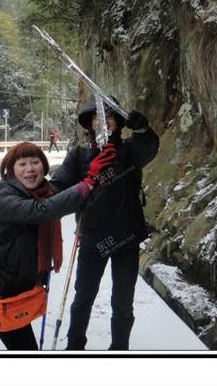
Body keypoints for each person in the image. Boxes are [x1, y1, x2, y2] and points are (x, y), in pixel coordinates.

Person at [0, 141, 117, 350]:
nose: (29, 169)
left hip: (9, 299)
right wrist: (89, 182)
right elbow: (42, 210)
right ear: (11, 170)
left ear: (43, 166)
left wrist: (84, 154)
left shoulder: (42, 191)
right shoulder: (5, 199)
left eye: (35, 162)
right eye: (22, 164)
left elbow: (61, 184)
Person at [50, 98, 159, 350]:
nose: (104, 121)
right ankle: (75, 345)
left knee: (122, 301)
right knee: (83, 297)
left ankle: (119, 348)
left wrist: (143, 129)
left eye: (110, 116)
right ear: (90, 123)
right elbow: (58, 186)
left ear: (119, 123)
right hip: (91, 237)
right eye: (98, 117)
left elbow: (149, 146)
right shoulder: (78, 155)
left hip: (126, 239)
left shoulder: (130, 151)